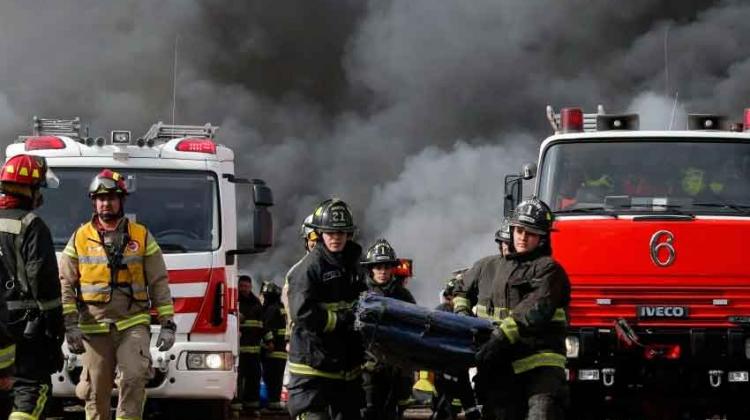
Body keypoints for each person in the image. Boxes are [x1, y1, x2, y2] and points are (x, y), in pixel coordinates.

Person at [59, 169, 175, 420]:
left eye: (111, 197)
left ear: (122, 200)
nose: (105, 203)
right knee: (95, 391)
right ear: (94, 202)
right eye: (100, 198)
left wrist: (168, 324)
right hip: (94, 327)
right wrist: (70, 325)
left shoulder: (141, 236)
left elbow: (158, 281)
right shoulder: (80, 238)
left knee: (134, 376)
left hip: (133, 323)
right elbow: (65, 283)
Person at [457, 198, 570, 420]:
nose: (522, 237)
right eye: (519, 230)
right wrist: (462, 317)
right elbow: (461, 291)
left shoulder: (549, 269)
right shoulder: (496, 267)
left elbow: (534, 308)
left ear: (542, 237)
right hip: (502, 365)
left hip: (540, 366)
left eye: (530, 232)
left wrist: (498, 338)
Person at [287, 198, 366, 419]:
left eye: (341, 233)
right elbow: (302, 313)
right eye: (330, 233)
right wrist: (340, 321)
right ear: (320, 234)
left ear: (349, 234)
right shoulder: (309, 269)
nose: (335, 238)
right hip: (313, 367)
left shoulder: (353, 263)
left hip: (344, 366)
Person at [0, 155, 63, 420]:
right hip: (22, 328)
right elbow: (44, 285)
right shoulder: (32, 226)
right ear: (29, 188)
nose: (41, 196)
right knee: (32, 388)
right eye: (39, 188)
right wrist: (55, 332)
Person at [360, 239, 415, 420]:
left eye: (386, 267)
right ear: (371, 269)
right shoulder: (360, 292)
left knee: (391, 413)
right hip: (367, 368)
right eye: (378, 267)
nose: (382, 271)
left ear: (392, 269)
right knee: (367, 411)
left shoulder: (402, 295)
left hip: (394, 368)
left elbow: (413, 326)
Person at [431, 277, 480, 420]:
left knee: (460, 399)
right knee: (446, 402)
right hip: (447, 365)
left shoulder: (463, 312)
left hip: (457, 364)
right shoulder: (444, 311)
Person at [237, 274, 264, 412]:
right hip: (238, 349)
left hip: (254, 349)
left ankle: (252, 404)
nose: (244, 289)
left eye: (246, 286)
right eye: (241, 286)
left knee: (254, 377)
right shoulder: (234, 301)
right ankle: (236, 404)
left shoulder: (256, 303)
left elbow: (262, 324)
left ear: (251, 287)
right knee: (238, 378)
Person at [260, 280, 287, 410]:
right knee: (277, 378)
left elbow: (266, 327)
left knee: (270, 378)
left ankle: (271, 403)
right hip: (280, 350)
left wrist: (269, 342)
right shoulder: (281, 308)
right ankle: (274, 403)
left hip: (272, 350)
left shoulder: (270, 309)